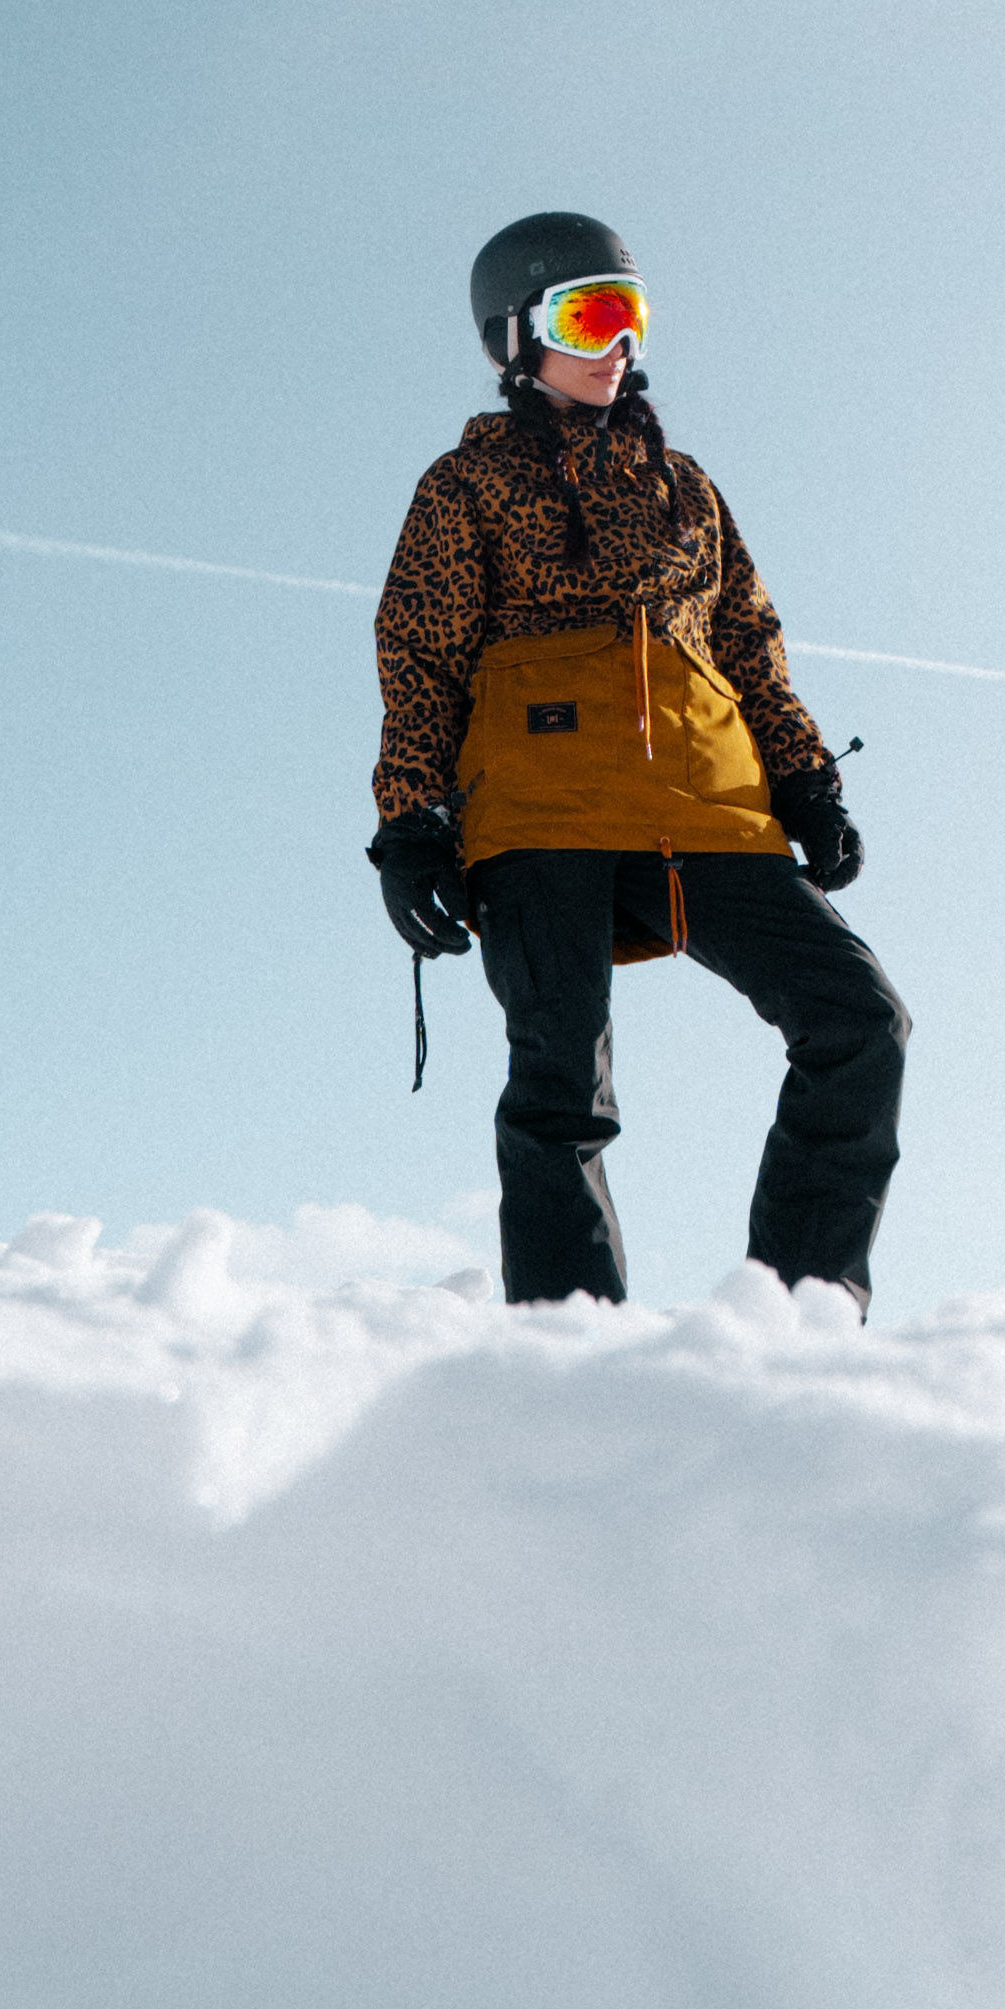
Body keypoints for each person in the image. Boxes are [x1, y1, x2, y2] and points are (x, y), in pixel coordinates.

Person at [367, 211, 908, 1310]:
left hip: (700, 807)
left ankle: (798, 1302)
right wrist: (410, 821)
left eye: (631, 316)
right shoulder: (464, 484)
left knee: (858, 1019)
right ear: (517, 337)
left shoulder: (685, 486)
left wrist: (805, 776)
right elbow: (420, 653)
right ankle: (571, 1341)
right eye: (589, 314)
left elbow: (747, 641)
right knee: (560, 1082)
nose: (617, 342)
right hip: (538, 809)